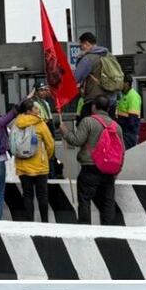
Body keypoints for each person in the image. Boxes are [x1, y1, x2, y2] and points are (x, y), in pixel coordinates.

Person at [60, 96, 124, 224]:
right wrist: (117, 170)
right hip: (109, 170)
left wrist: (65, 132)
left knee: (85, 200)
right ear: (108, 108)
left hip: (90, 168)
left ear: (94, 107)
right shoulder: (116, 126)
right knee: (108, 203)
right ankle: (109, 231)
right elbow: (121, 151)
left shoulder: (88, 121)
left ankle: (85, 229)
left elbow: (77, 141)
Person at [11, 98, 55, 222]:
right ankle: (44, 222)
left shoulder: (16, 123)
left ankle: (29, 223)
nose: (38, 110)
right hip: (40, 166)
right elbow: (50, 144)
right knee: (42, 196)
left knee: (27, 196)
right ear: (29, 111)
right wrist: (47, 157)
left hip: (22, 166)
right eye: (35, 108)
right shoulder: (40, 123)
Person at [73, 32, 122, 120]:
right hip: (112, 101)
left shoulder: (88, 58)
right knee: (109, 126)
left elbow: (75, 79)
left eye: (81, 46)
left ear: (87, 43)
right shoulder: (109, 56)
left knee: (85, 124)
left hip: (95, 102)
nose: (80, 49)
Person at [116, 76, 142, 149]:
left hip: (129, 133)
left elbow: (133, 118)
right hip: (125, 131)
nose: (118, 85)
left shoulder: (133, 96)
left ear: (126, 83)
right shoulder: (124, 95)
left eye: (120, 82)